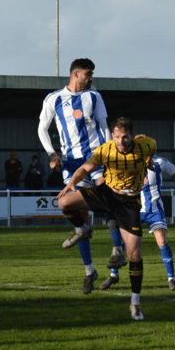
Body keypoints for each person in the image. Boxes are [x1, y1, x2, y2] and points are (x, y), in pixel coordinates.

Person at [56, 117, 156, 320]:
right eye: (117, 137)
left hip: (129, 204)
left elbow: (153, 147)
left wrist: (149, 161)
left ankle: (135, 302)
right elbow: (85, 168)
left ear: (132, 136)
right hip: (107, 194)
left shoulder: (145, 145)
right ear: (113, 135)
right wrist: (71, 183)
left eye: (125, 137)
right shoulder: (105, 149)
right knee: (64, 202)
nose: (121, 141)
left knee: (135, 255)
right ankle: (82, 229)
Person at [38, 58, 112, 294]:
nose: (91, 78)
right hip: (70, 163)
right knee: (75, 212)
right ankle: (90, 270)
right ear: (76, 74)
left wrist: (111, 155)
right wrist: (51, 153)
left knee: (109, 200)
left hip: (97, 159)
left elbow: (104, 127)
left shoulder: (95, 96)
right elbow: (42, 127)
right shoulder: (54, 98)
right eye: (88, 74)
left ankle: (116, 256)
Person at [100, 154, 175, 292]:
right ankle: (114, 275)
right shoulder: (128, 163)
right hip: (134, 210)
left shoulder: (159, 162)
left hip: (154, 210)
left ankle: (171, 279)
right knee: (122, 241)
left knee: (162, 241)